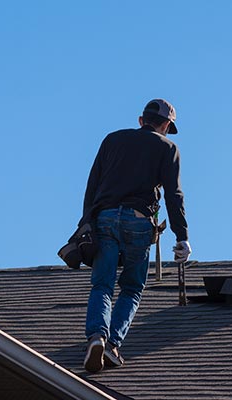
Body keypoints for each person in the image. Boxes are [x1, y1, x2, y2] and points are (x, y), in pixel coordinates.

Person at [81, 98, 191, 373]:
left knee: (102, 285)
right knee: (131, 288)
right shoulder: (168, 147)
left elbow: (92, 184)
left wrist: (86, 223)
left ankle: (97, 336)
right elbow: (173, 195)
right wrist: (182, 236)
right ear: (166, 124)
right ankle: (112, 344)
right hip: (139, 220)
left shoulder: (112, 140)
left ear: (141, 120)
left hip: (104, 217)